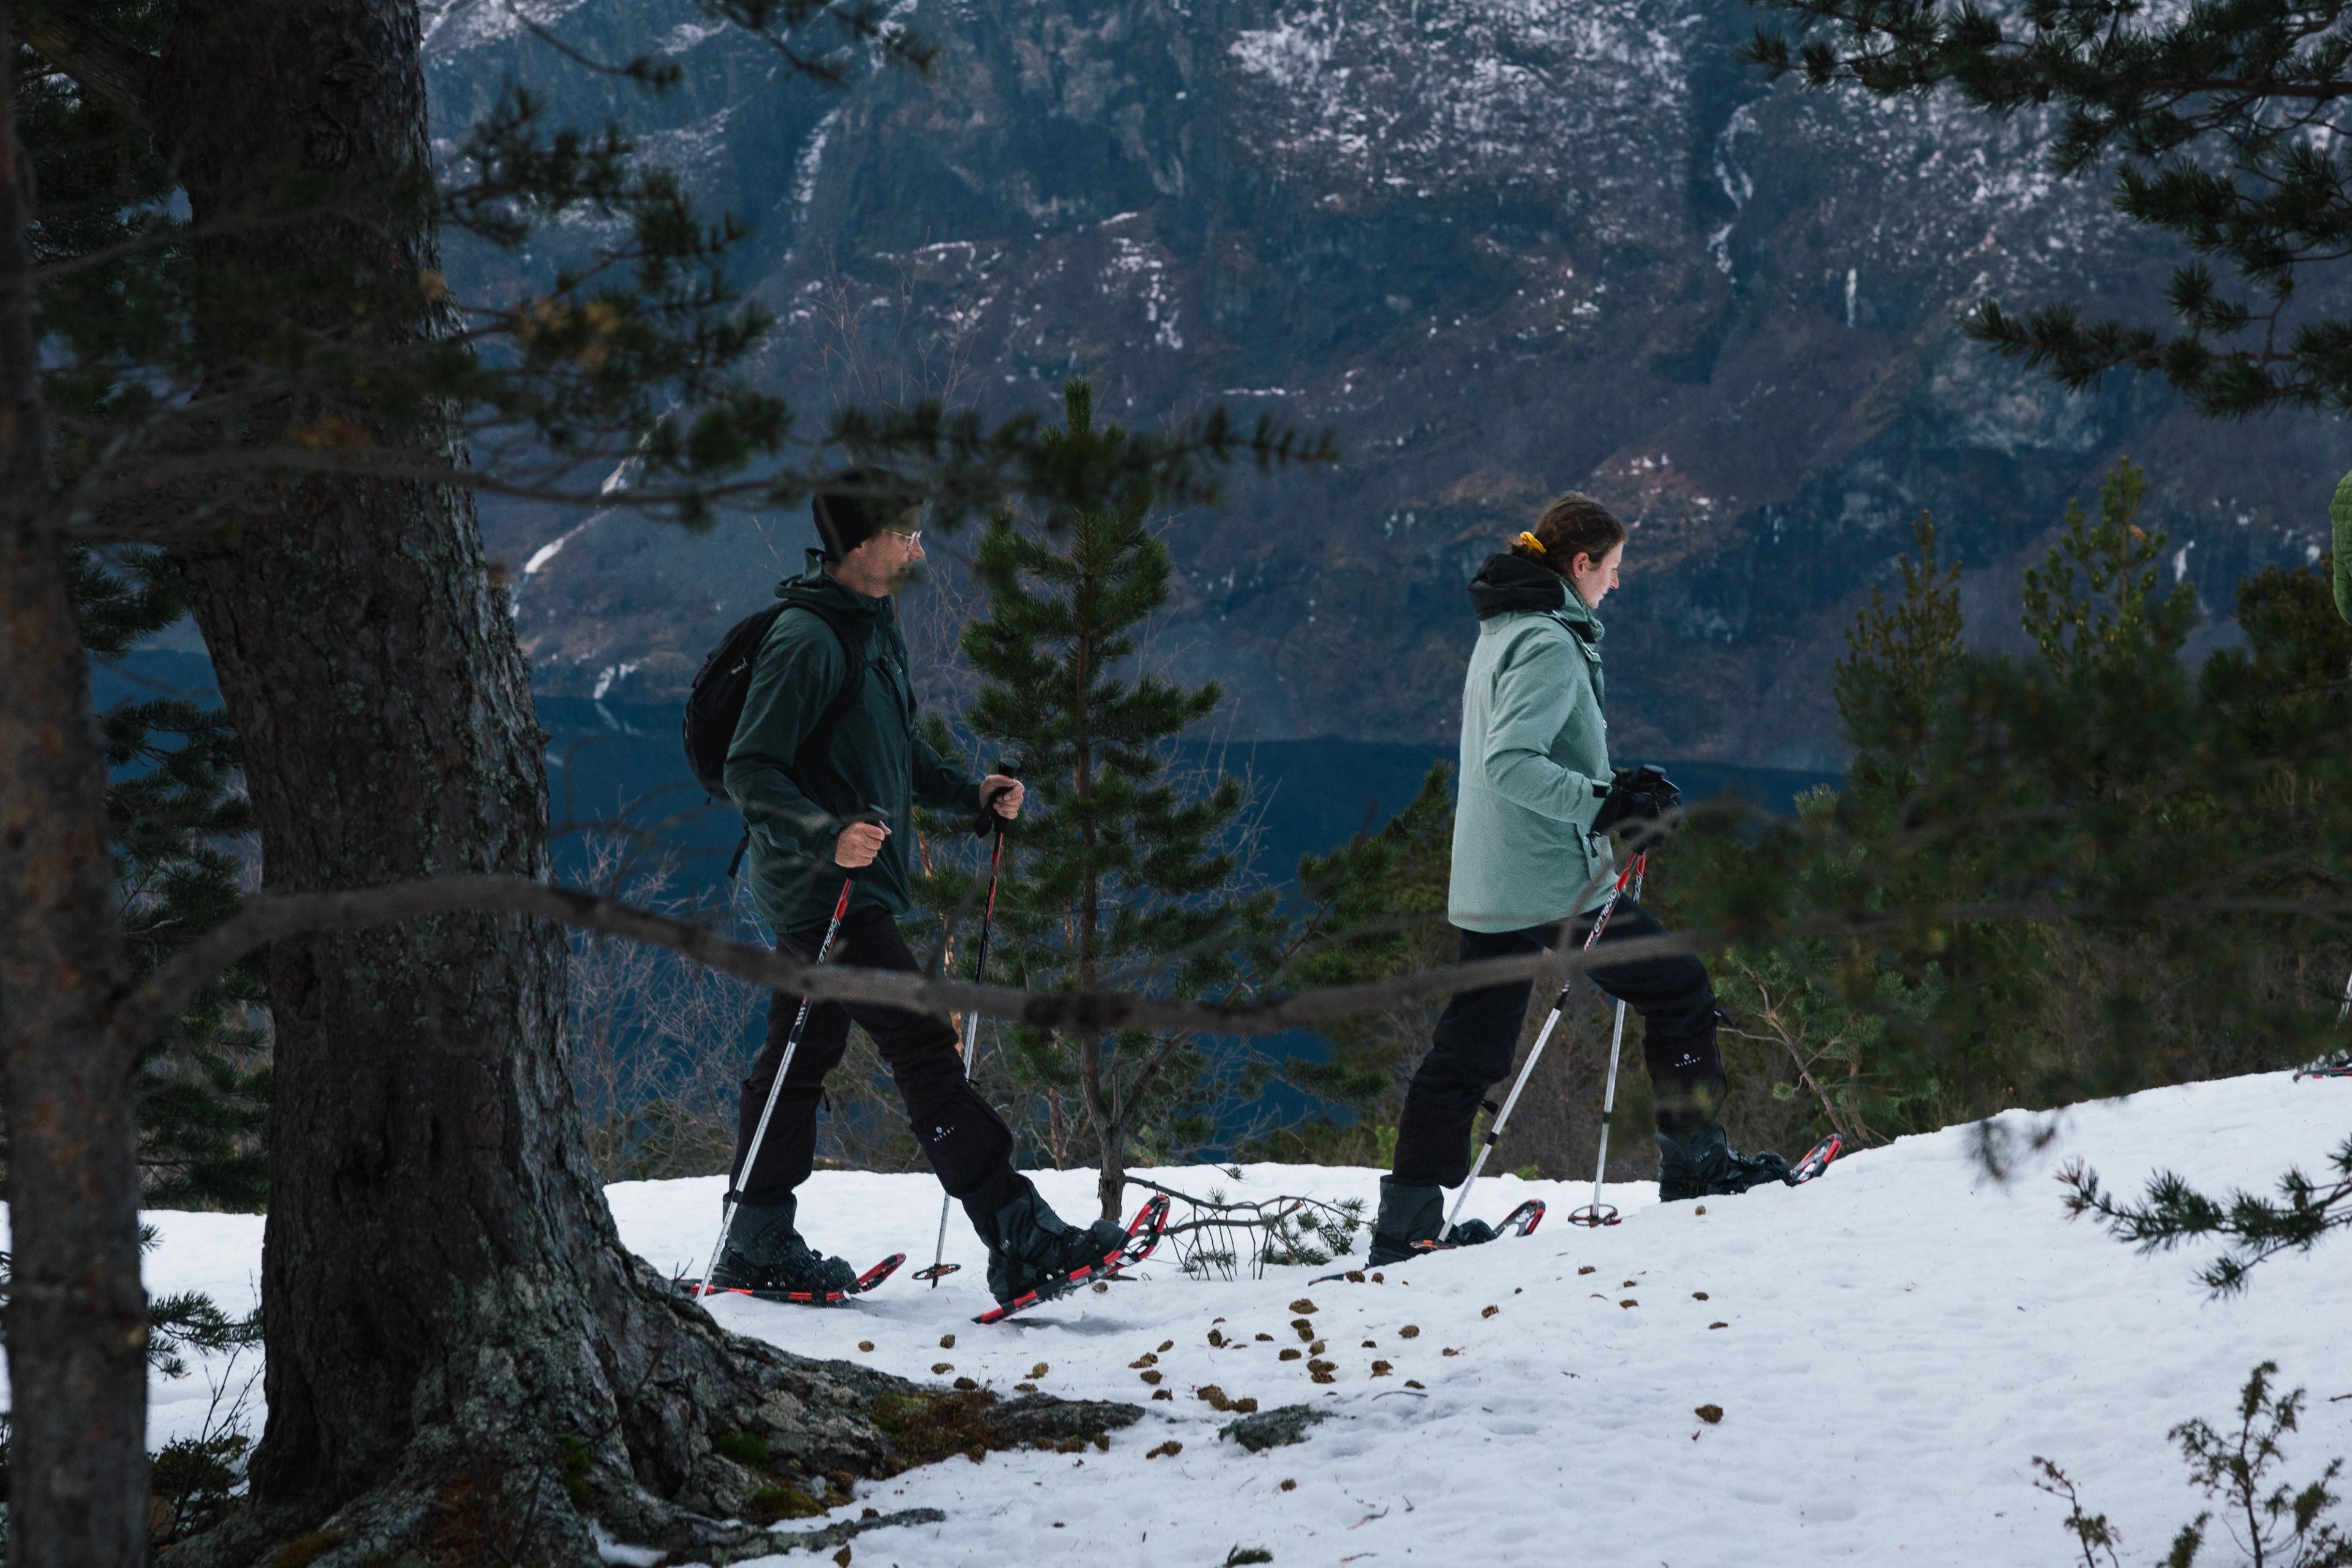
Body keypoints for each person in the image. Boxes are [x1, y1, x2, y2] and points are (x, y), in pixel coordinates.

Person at [717, 470, 1128, 1303]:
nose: (917, 549)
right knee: (920, 1046)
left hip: (847, 886)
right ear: (861, 545)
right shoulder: (806, 640)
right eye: (905, 535)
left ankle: (755, 1236)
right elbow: (749, 771)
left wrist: (968, 795)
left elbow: (894, 757)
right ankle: (1015, 1229)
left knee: (800, 1056)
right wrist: (825, 833)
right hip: (821, 889)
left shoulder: (872, 628)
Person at [1369, 492, 1792, 1266]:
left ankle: (1406, 1225)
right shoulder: (1547, 643)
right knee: (1680, 987)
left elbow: (1533, 751)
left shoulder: (1507, 627)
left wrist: (1617, 785)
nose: (1618, 584)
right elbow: (1510, 762)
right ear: (1580, 565)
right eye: (1614, 569)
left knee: (1469, 1050)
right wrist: (1607, 804)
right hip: (1549, 886)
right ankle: (1697, 1166)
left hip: (1499, 881)